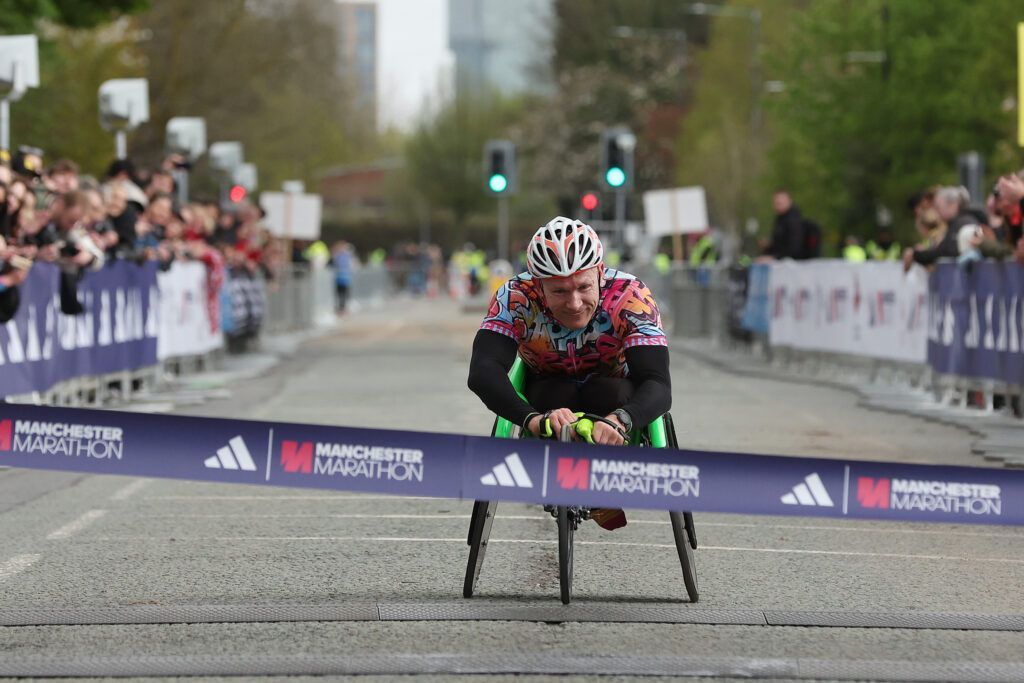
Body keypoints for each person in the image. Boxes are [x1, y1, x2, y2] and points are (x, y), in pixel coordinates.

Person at [467, 217, 671, 531]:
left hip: (614, 393)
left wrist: (623, 419)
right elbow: (483, 371)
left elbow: (657, 382)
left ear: (600, 274)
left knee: (608, 392)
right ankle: (556, 468)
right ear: (537, 286)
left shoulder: (631, 296)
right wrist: (530, 419)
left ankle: (603, 482)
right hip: (548, 391)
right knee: (553, 395)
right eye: (559, 291)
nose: (574, 303)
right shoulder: (515, 298)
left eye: (584, 287)